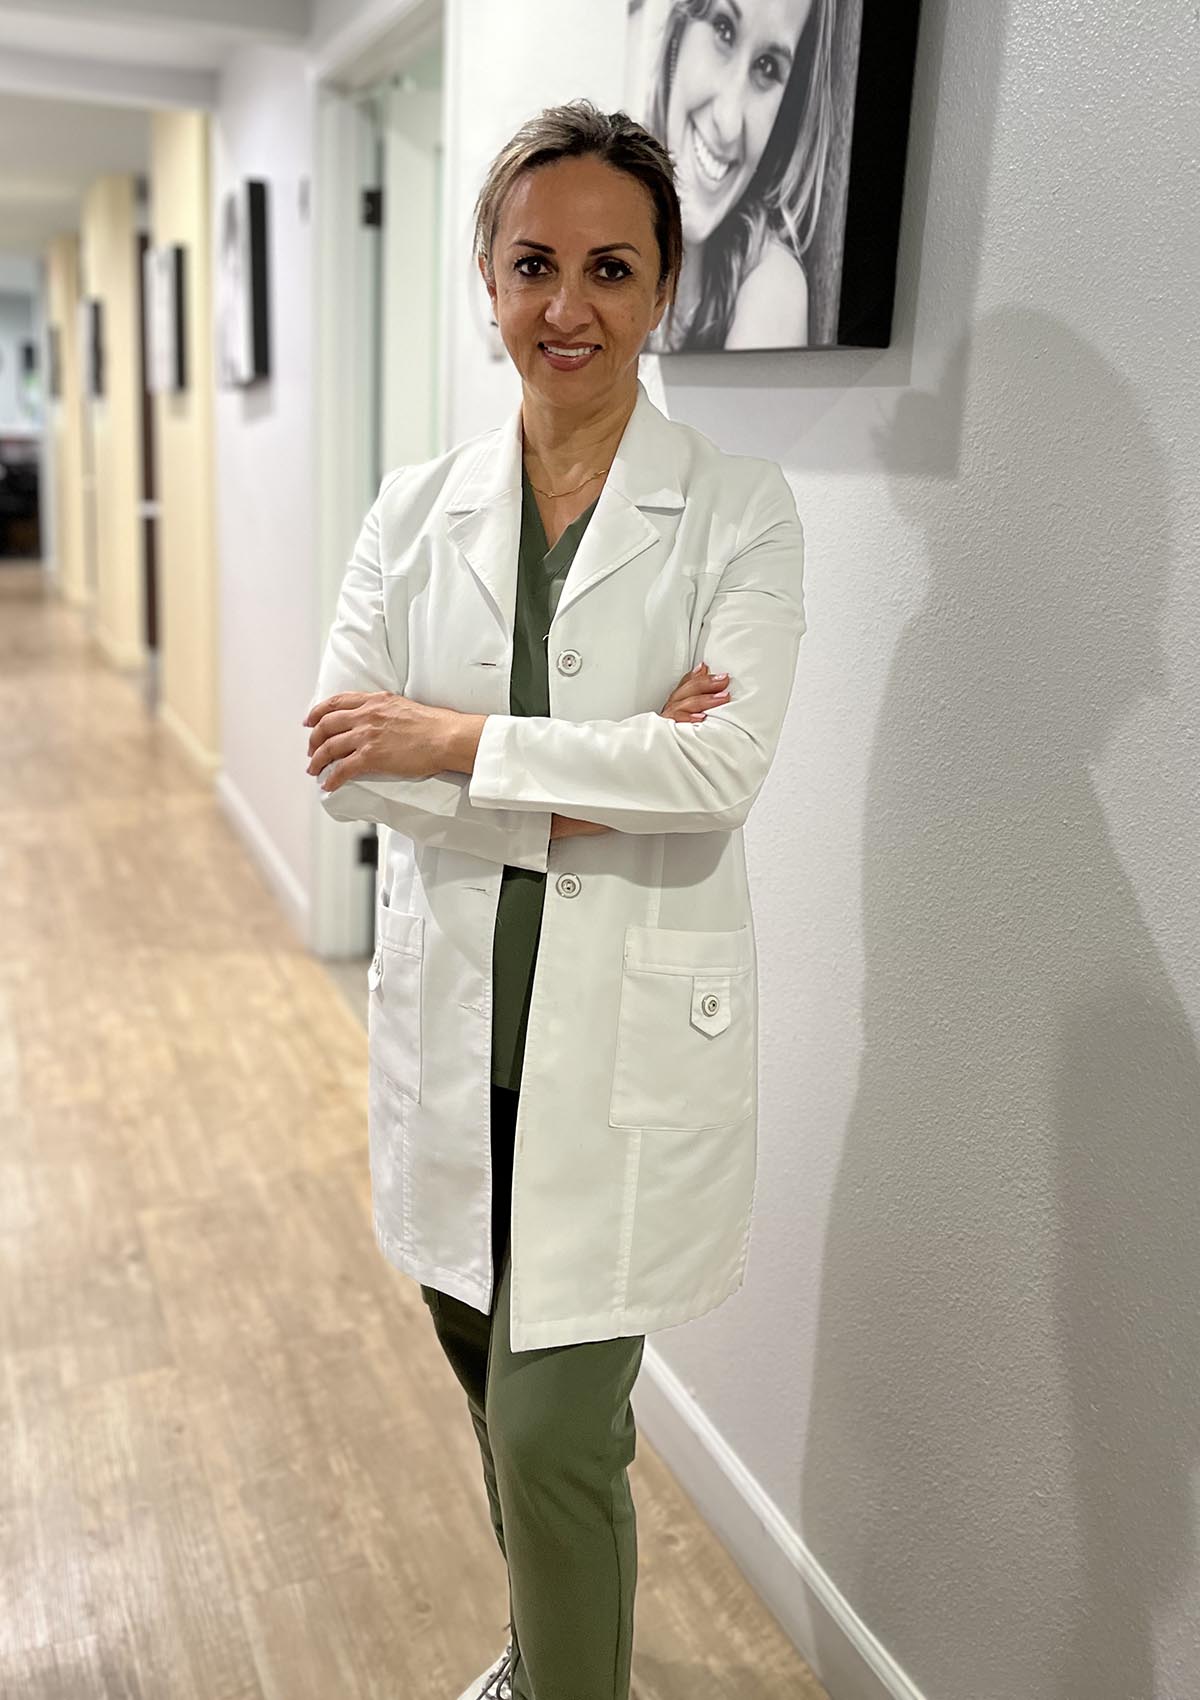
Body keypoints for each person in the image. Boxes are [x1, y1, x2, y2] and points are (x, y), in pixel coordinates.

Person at [303, 98, 805, 1700]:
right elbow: (341, 759)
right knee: (487, 1382)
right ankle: (545, 1646)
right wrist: (605, 770)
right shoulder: (413, 508)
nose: (565, 307)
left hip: (622, 1049)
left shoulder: (739, 511)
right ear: (485, 272)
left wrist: (455, 740)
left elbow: (718, 779)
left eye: (610, 267)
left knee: (552, 1427)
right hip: (463, 1028)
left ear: (665, 290)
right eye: (532, 264)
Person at [639, 0, 834, 350]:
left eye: (767, 66)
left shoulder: (772, 285)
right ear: (678, 36)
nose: (728, 123)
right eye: (724, 30)